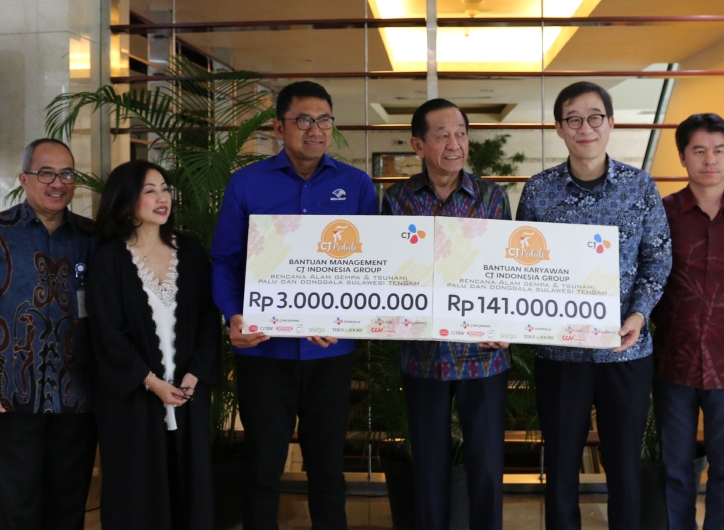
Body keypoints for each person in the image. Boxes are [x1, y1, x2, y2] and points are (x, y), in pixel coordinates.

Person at [211, 80, 378, 529]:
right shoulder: (247, 184)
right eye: (303, 120)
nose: (315, 130)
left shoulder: (356, 185)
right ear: (278, 126)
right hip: (264, 352)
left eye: (324, 120)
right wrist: (233, 315)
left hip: (330, 352)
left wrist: (347, 320)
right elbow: (225, 260)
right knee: (262, 469)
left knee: (327, 469)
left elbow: (372, 266)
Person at [516, 81, 671, 529]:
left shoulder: (639, 186)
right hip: (559, 353)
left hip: (625, 350)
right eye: (574, 119)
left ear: (611, 123)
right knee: (561, 463)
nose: (585, 128)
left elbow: (658, 258)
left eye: (594, 117)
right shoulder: (539, 191)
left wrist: (638, 315)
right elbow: (520, 264)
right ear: (559, 128)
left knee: (624, 462)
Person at [381, 98, 512, 530]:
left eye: (461, 133)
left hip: (484, 355)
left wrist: (507, 324)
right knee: (429, 468)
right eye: (442, 135)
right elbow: (390, 274)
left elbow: (507, 272)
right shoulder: (397, 199)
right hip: (423, 355)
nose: (455, 144)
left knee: (487, 465)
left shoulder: (492, 197)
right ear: (418, 145)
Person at [87, 160, 221, 529]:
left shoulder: (190, 251)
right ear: (126, 200)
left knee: (190, 490)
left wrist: (195, 374)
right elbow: (107, 334)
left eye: (165, 189)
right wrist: (152, 383)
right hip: (132, 401)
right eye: (150, 191)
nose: (163, 198)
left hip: (189, 395)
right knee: (137, 494)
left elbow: (209, 319)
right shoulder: (109, 259)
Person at [651, 114, 724, 530]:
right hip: (673, 362)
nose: (710, 160)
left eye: (719, 150)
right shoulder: (661, 213)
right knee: (675, 467)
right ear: (683, 156)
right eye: (699, 150)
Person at [0, 139, 97, 530]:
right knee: (15, 508)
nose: (58, 183)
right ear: (24, 178)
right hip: (12, 397)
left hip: (79, 396)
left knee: (68, 508)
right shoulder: (3, 232)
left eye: (67, 174)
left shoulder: (94, 237)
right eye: (46, 173)